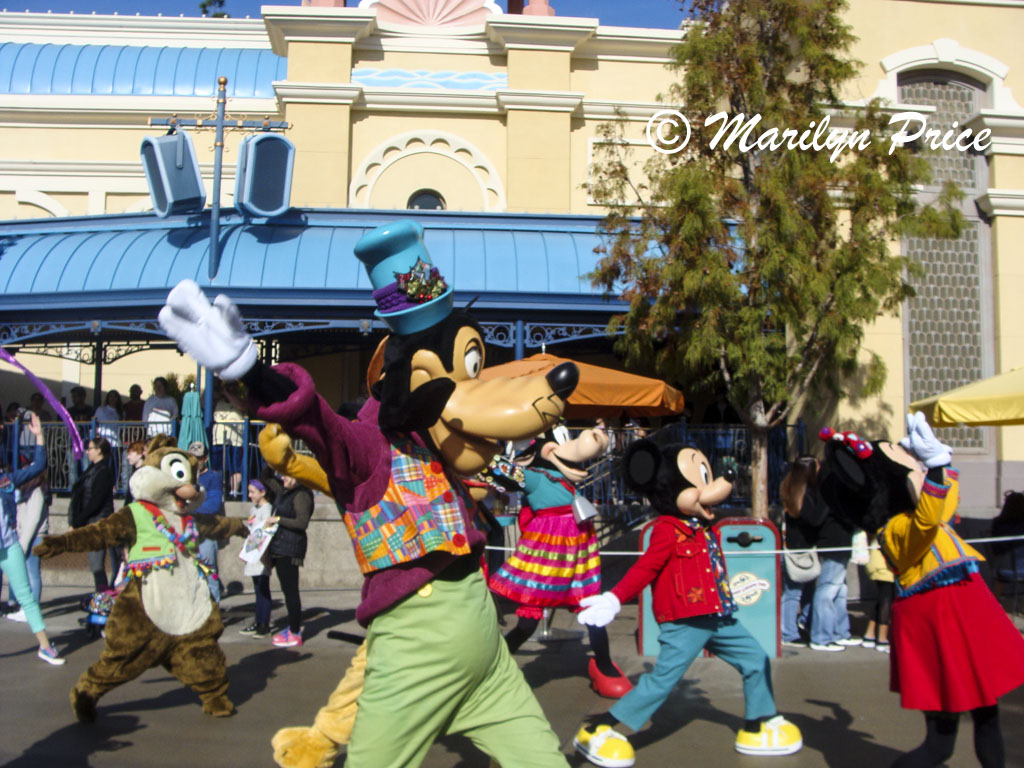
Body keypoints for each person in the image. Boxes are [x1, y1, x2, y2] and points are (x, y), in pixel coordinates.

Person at [1, 412, 65, 664]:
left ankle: (45, 647)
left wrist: (39, 436)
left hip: (9, 547)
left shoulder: (5, 482)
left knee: (26, 597)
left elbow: (38, 467)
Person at [805, 458, 859, 652]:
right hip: (833, 543)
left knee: (839, 590)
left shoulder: (839, 492)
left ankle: (840, 632)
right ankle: (821, 637)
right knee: (827, 591)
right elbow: (817, 517)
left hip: (842, 543)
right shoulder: (827, 492)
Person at [260, 465, 312, 648]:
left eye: (287, 476)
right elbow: (265, 477)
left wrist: (278, 519)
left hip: (291, 548)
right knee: (285, 588)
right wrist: (275, 462)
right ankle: (292, 627)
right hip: (279, 546)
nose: (283, 478)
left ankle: (295, 631)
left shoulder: (302, 495)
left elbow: (302, 522)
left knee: (291, 592)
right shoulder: (284, 491)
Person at [778, 457, 819, 647]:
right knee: (794, 593)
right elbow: (813, 519)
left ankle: (803, 623)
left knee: (806, 591)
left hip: (796, 550)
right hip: (798, 552)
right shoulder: (806, 496)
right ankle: (788, 632)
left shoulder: (789, 489)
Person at [71, 436, 120, 591]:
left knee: (99, 564)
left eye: (90, 448)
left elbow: (96, 500)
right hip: (92, 519)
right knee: (96, 564)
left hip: (100, 520)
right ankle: (103, 595)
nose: (87, 452)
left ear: (99, 451)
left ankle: (103, 597)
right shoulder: (91, 469)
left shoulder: (104, 471)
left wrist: (79, 519)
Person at [187, 441, 224, 603]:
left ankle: (214, 612)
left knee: (209, 573)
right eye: (192, 458)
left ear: (206, 459)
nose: (195, 462)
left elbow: (213, 505)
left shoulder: (213, 478)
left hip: (206, 532)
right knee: (188, 574)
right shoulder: (184, 477)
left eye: (199, 458)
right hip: (186, 532)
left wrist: (190, 509)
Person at [239, 478, 276, 638]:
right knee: (257, 590)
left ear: (263, 492)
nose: (250, 495)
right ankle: (258, 621)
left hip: (261, 556)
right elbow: (251, 532)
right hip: (252, 554)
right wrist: (245, 551)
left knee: (263, 589)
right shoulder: (254, 509)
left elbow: (265, 534)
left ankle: (264, 624)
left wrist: (260, 553)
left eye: (253, 492)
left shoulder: (267, 509)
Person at [212, 380, 245, 498]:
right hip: (219, 440)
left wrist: (226, 393)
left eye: (232, 386)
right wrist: (215, 388)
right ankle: (218, 491)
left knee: (235, 469)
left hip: (235, 441)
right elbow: (203, 403)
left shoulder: (240, 400)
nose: (230, 388)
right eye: (227, 386)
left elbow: (240, 406)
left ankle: (234, 492)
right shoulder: (218, 402)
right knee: (217, 467)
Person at [861, 534, 894, 653]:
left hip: (876, 559)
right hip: (885, 562)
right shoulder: (890, 524)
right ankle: (882, 638)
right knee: (886, 598)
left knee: (881, 597)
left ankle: (870, 635)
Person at [122, 440, 146, 506]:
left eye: (130, 454)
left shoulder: (144, 472)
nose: (128, 457)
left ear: (140, 454)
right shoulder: (133, 471)